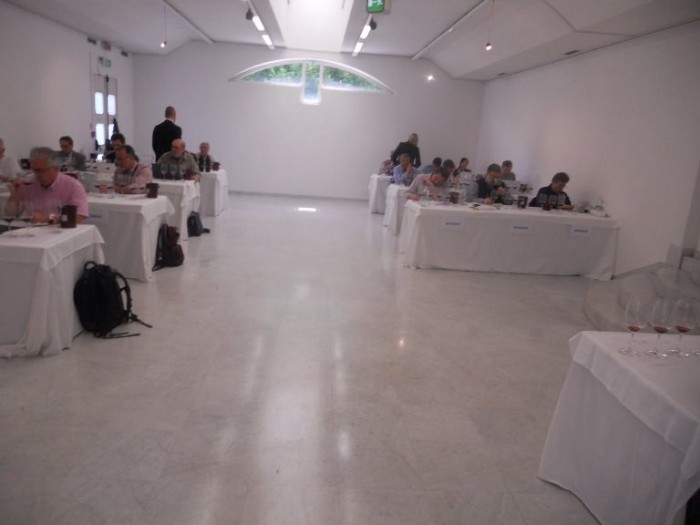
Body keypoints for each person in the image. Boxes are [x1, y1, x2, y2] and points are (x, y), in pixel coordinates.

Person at [5, 147, 88, 223]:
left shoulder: (73, 186)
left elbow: (78, 218)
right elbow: (10, 214)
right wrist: (15, 194)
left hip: (60, 232)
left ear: (56, 168)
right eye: (34, 170)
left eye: (40, 171)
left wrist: (48, 218)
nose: (37, 175)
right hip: (31, 231)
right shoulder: (28, 182)